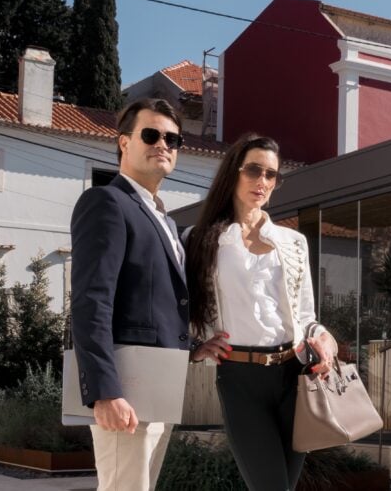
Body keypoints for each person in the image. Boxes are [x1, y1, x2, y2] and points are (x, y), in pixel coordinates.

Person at [186, 133, 337, 491]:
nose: (263, 182)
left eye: (272, 175)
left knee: (284, 485)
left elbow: (305, 314)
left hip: (294, 375)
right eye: (254, 170)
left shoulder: (293, 242)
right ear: (233, 173)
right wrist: (195, 346)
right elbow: (187, 307)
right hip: (240, 379)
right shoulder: (200, 239)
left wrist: (324, 338)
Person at [70, 98, 189, 491]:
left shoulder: (167, 222)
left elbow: (158, 303)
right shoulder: (106, 202)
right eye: (151, 135)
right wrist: (105, 391)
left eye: (173, 139)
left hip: (160, 385)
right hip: (126, 391)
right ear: (124, 142)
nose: (163, 145)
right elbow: (91, 301)